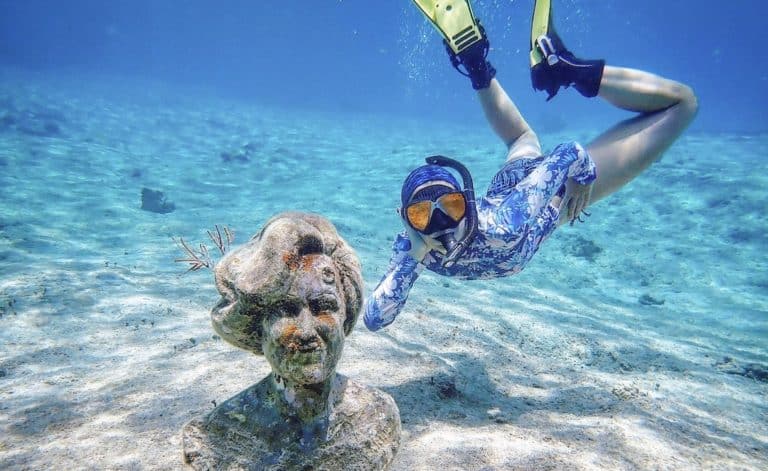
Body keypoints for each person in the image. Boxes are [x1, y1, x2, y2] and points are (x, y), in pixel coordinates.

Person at [364, 0, 698, 331]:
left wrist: (583, 178)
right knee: (521, 139)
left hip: (552, 196)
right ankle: (477, 65)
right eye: (421, 215)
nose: (441, 224)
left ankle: (569, 69)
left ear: (465, 200)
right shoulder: (412, 249)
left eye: (450, 206)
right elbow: (375, 319)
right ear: (405, 218)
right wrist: (414, 256)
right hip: (511, 189)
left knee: (682, 104)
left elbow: (570, 151)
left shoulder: (504, 225)